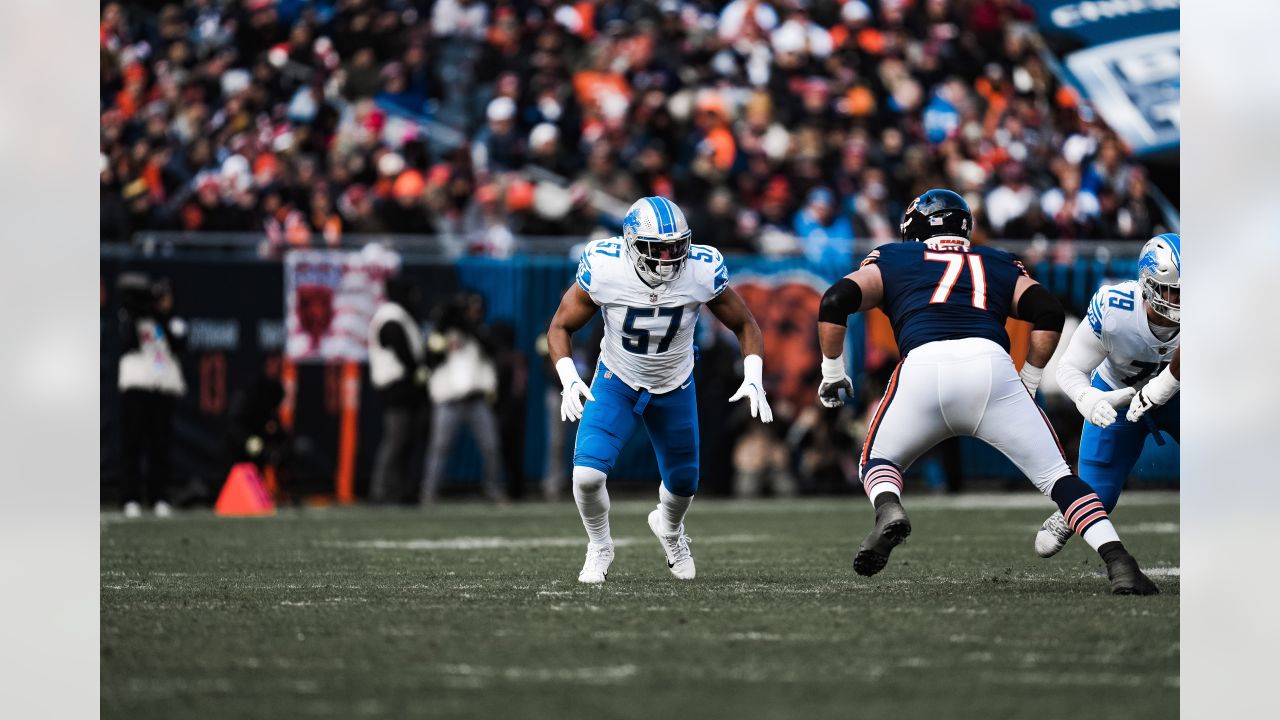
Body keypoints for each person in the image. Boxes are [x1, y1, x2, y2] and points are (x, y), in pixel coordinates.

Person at [814, 189, 1158, 595]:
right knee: (1059, 479)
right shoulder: (995, 261)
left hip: (923, 365)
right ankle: (1120, 561)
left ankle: (888, 507)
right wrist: (1028, 379)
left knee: (878, 460)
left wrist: (833, 371)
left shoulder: (893, 257)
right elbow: (1047, 312)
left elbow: (835, 300)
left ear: (915, 228)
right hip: (991, 367)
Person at [546, 196, 774, 583]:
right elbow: (559, 327)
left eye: (676, 247)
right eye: (657, 249)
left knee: (684, 483)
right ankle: (600, 545)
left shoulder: (700, 270)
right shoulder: (605, 268)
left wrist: (753, 374)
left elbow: (745, 324)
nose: (669, 258)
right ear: (631, 244)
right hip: (616, 380)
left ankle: (669, 528)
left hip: (675, 384)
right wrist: (569, 376)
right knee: (586, 475)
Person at [1035, 234, 1181, 557]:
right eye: (1174, 290)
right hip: (1118, 397)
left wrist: (1163, 388)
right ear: (1149, 284)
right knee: (1099, 496)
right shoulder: (1116, 309)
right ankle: (1068, 515)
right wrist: (1087, 398)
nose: (1182, 299)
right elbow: (1069, 367)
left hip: (1179, 396)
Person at [420, 292, 507, 504]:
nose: (473, 313)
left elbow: (493, 349)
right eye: (469, 309)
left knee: (491, 446)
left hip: (476, 400)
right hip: (449, 401)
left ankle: (493, 490)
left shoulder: (479, 332)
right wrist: (447, 325)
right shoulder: (442, 332)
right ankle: (428, 493)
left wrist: (470, 327)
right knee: (439, 448)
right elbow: (430, 358)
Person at [117, 275, 188, 518]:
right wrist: (139, 310)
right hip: (137, 386)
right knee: (133, 444)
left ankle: (159, 496)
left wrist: (162, 317)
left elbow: (180, 343)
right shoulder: (132, 318)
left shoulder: (172, 322)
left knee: (160, 446)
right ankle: (130, 497)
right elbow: (126, 341)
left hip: (163, 387)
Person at [368, 276, 428, 505]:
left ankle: (398, 490)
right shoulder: (391, 316)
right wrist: (417, 369)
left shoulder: (395, 315)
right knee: (395, 441)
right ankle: (380, 491)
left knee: (405, 441)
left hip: (403, 387)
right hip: (396, 387)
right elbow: (400, 347)